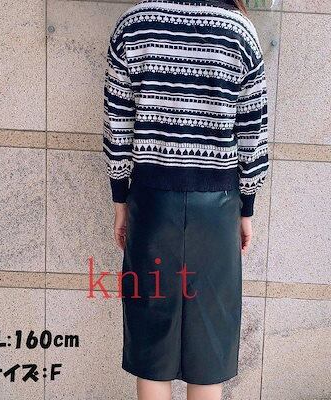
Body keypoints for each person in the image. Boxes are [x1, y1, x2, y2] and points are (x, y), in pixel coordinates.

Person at [102, 0, 268, 399]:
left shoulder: (133, 25)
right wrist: (245, 208)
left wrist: (121, 201)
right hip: (218, 207)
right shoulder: (240, 32)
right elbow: (253, 132)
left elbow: (116, 124)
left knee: (151, 345)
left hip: (151, 203)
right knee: (208, 350)